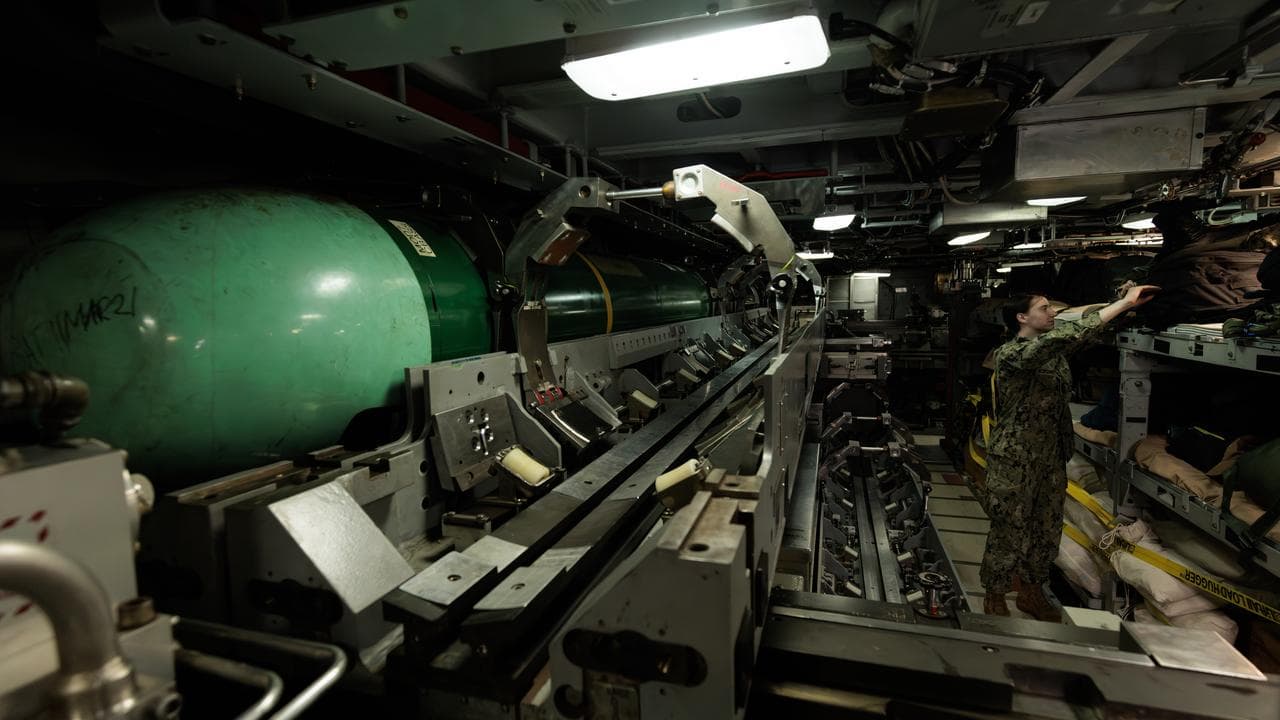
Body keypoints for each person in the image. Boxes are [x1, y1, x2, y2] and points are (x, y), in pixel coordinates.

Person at [981, 285, 1160, 620]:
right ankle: (995, 593)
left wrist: (1121, 306)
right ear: (1023, 317)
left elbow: (1080, 334)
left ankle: (1031, 592)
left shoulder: (1054, 354)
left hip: (1049, 457)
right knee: (1009, 529)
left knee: (1047, 529)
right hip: (1016, 459)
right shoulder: (1013, 353)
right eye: (1045, 308)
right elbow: (1065, 336)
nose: (1052, 313)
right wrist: (1122, 303)